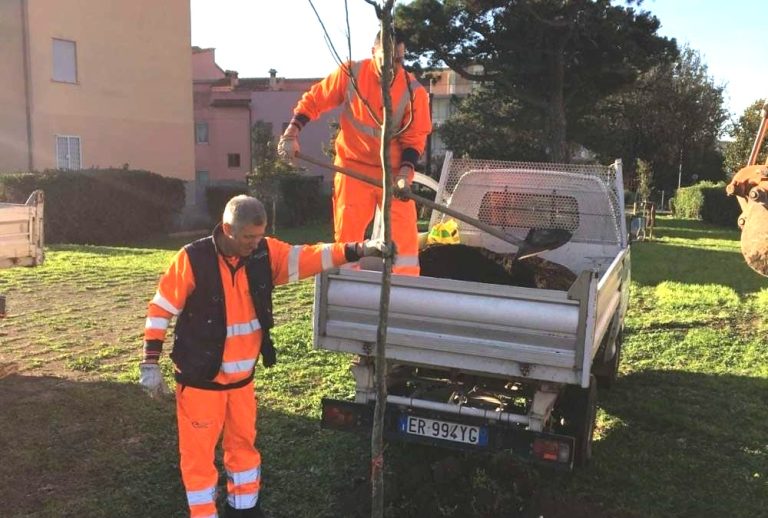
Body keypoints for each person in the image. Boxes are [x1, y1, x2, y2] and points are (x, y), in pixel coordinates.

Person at [138, 195, 390, 518]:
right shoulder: (193, 259)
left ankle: (244, 511)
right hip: (200, 384)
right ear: (228, 229)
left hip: (242, 384)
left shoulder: (264, 254)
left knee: (244, 451)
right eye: (248, 238)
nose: (255, 244)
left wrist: (358, 249)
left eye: (260, 236)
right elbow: (160, 310)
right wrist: (149, 363)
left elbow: (311, 256)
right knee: (199, 460)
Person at [278, 29, 432, 276]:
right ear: (373, 52)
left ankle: (404, 291)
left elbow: (414, 139)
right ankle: (346, 287)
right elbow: (315, 100)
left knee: (405, 240)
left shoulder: (415, 92)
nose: (393, 66)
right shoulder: (352, 74)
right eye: (387, 58)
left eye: (399, 60)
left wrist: (404, 174)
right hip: (351, 168)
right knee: (347, 240)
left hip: (394, 175)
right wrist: (291, 133)